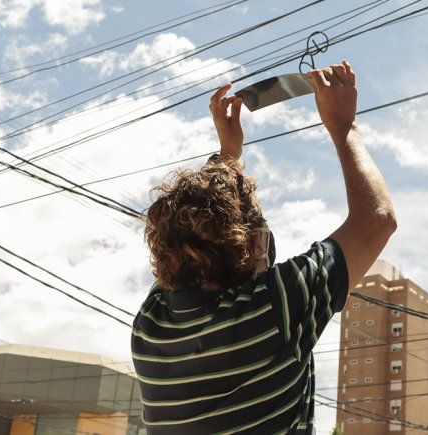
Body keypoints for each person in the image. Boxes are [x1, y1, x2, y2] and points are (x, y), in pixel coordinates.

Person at [132, 60, 396, 434]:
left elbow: (187, 236)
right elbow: (377, 219)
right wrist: (344, 127)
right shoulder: (273, 308)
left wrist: (227, 156)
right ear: (257, 244)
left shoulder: (150, 327)